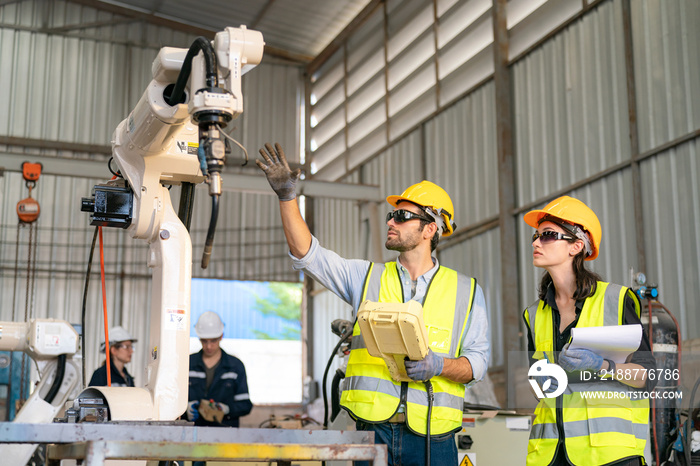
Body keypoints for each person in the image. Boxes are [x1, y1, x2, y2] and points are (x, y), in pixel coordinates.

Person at [256, 143, 490, 466]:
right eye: (392, 215)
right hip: (372, 434)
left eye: (403, 216)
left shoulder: (467, 291)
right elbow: (307, 254)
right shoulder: (365, 277)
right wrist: (286, 198)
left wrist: (439, 365)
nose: (391, 222)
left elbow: (477, 363)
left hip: (434, 439)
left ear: (430, 228)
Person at [522, 196, 656, 466]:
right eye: (536, 236)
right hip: (551, 454)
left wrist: (603, 365)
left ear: (576, 245)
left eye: (547, 235)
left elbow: (648, 376)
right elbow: (540, 392)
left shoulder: (615, 301)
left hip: (609, 454)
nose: (536, 243)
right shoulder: (534, 314)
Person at [186, 311, 253, 430]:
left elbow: (245, 405)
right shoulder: (187, 364)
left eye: (213, 341)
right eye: (204, 341)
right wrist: (184, 408)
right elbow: (171, 398)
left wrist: (227, 409)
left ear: (221, 336)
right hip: (193, 432)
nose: (209, 346)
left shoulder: (235, 366)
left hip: (225, 433)